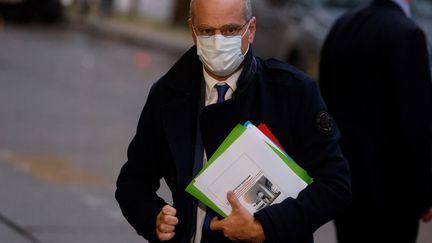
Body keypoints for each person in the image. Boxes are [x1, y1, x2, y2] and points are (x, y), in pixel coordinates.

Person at [115, 0, 351, 242]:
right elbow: (133, 182)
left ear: (251, 30)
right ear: (193, 32)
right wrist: (153, 217)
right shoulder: (168, 95)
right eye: (207, 31)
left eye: (230, 30)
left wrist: (265, 227)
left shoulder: (292, 92)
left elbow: (335, 186)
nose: (218, 41)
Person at [319, 0, 432, 242]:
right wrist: (425, 193)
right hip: (394, 194)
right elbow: (416, 125)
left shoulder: (342, 25)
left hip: (346, 184)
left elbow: (325, 105)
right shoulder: (408, 33)